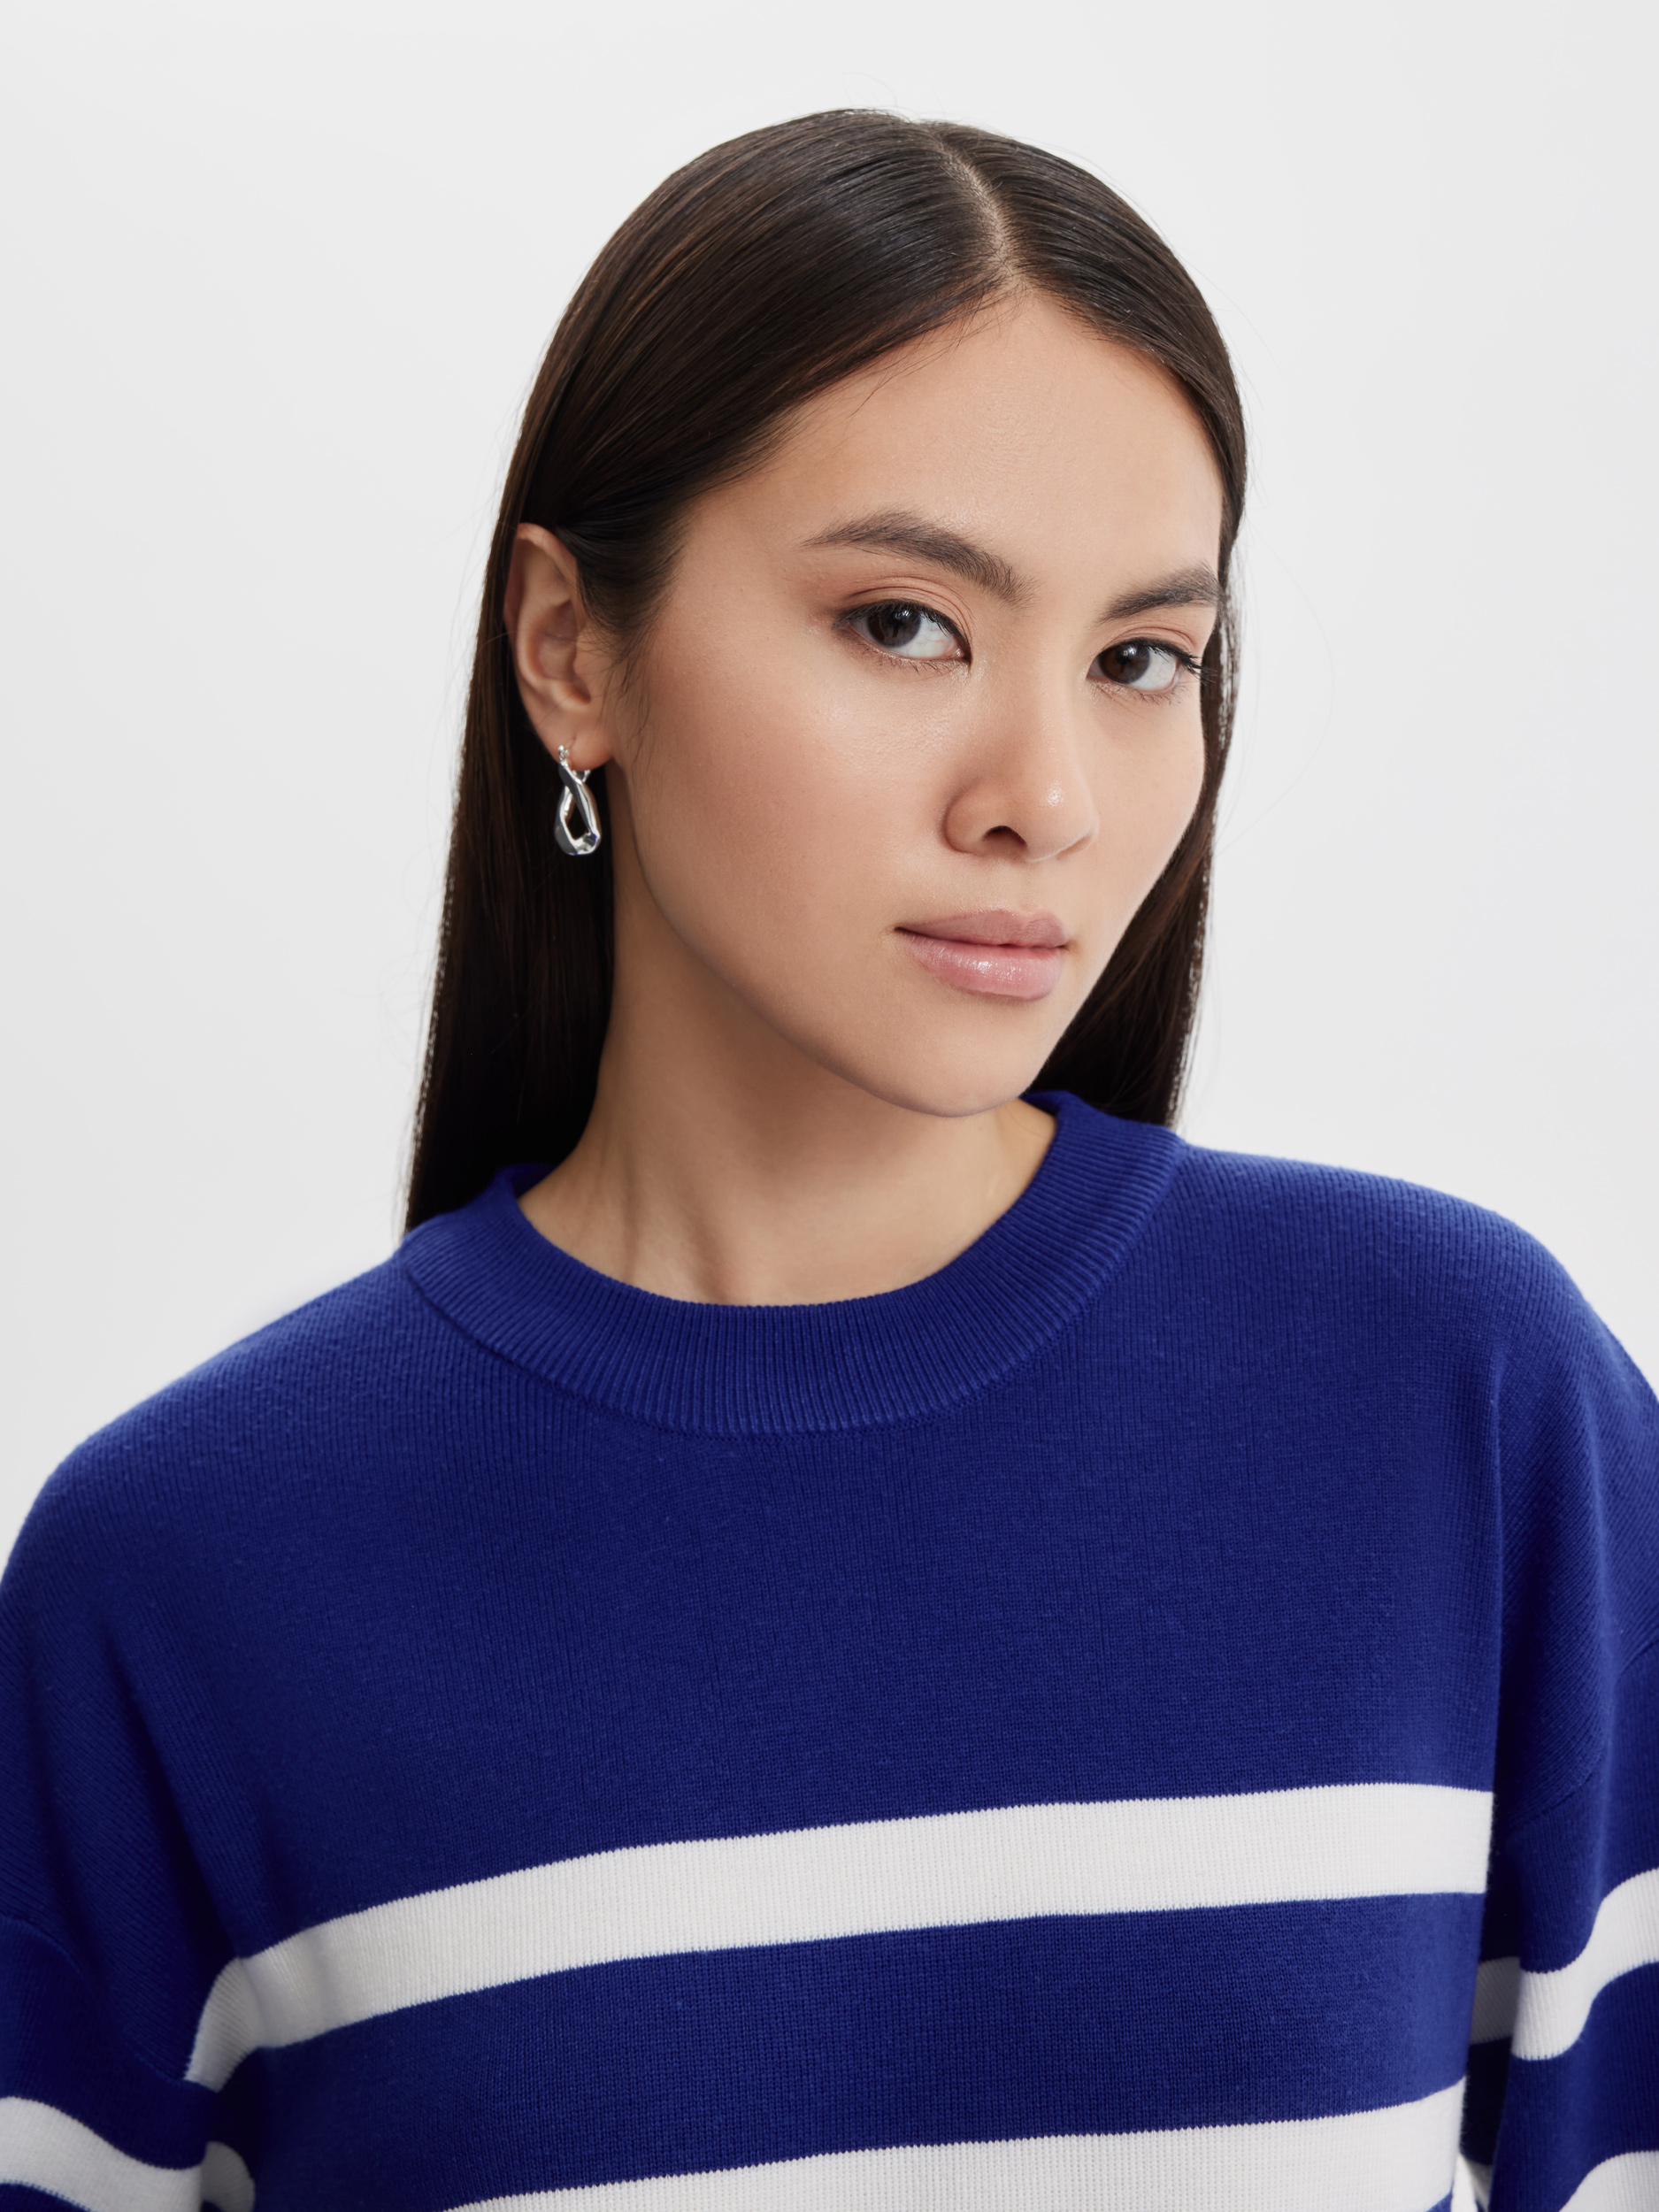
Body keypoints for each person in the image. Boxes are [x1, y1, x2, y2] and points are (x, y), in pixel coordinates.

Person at [1, 110, 1654, 2212]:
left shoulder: (1453, 1404)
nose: (1043, 793)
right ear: (569, 649)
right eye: (901, 622)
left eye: (1138, 658)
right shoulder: (184, 1577)